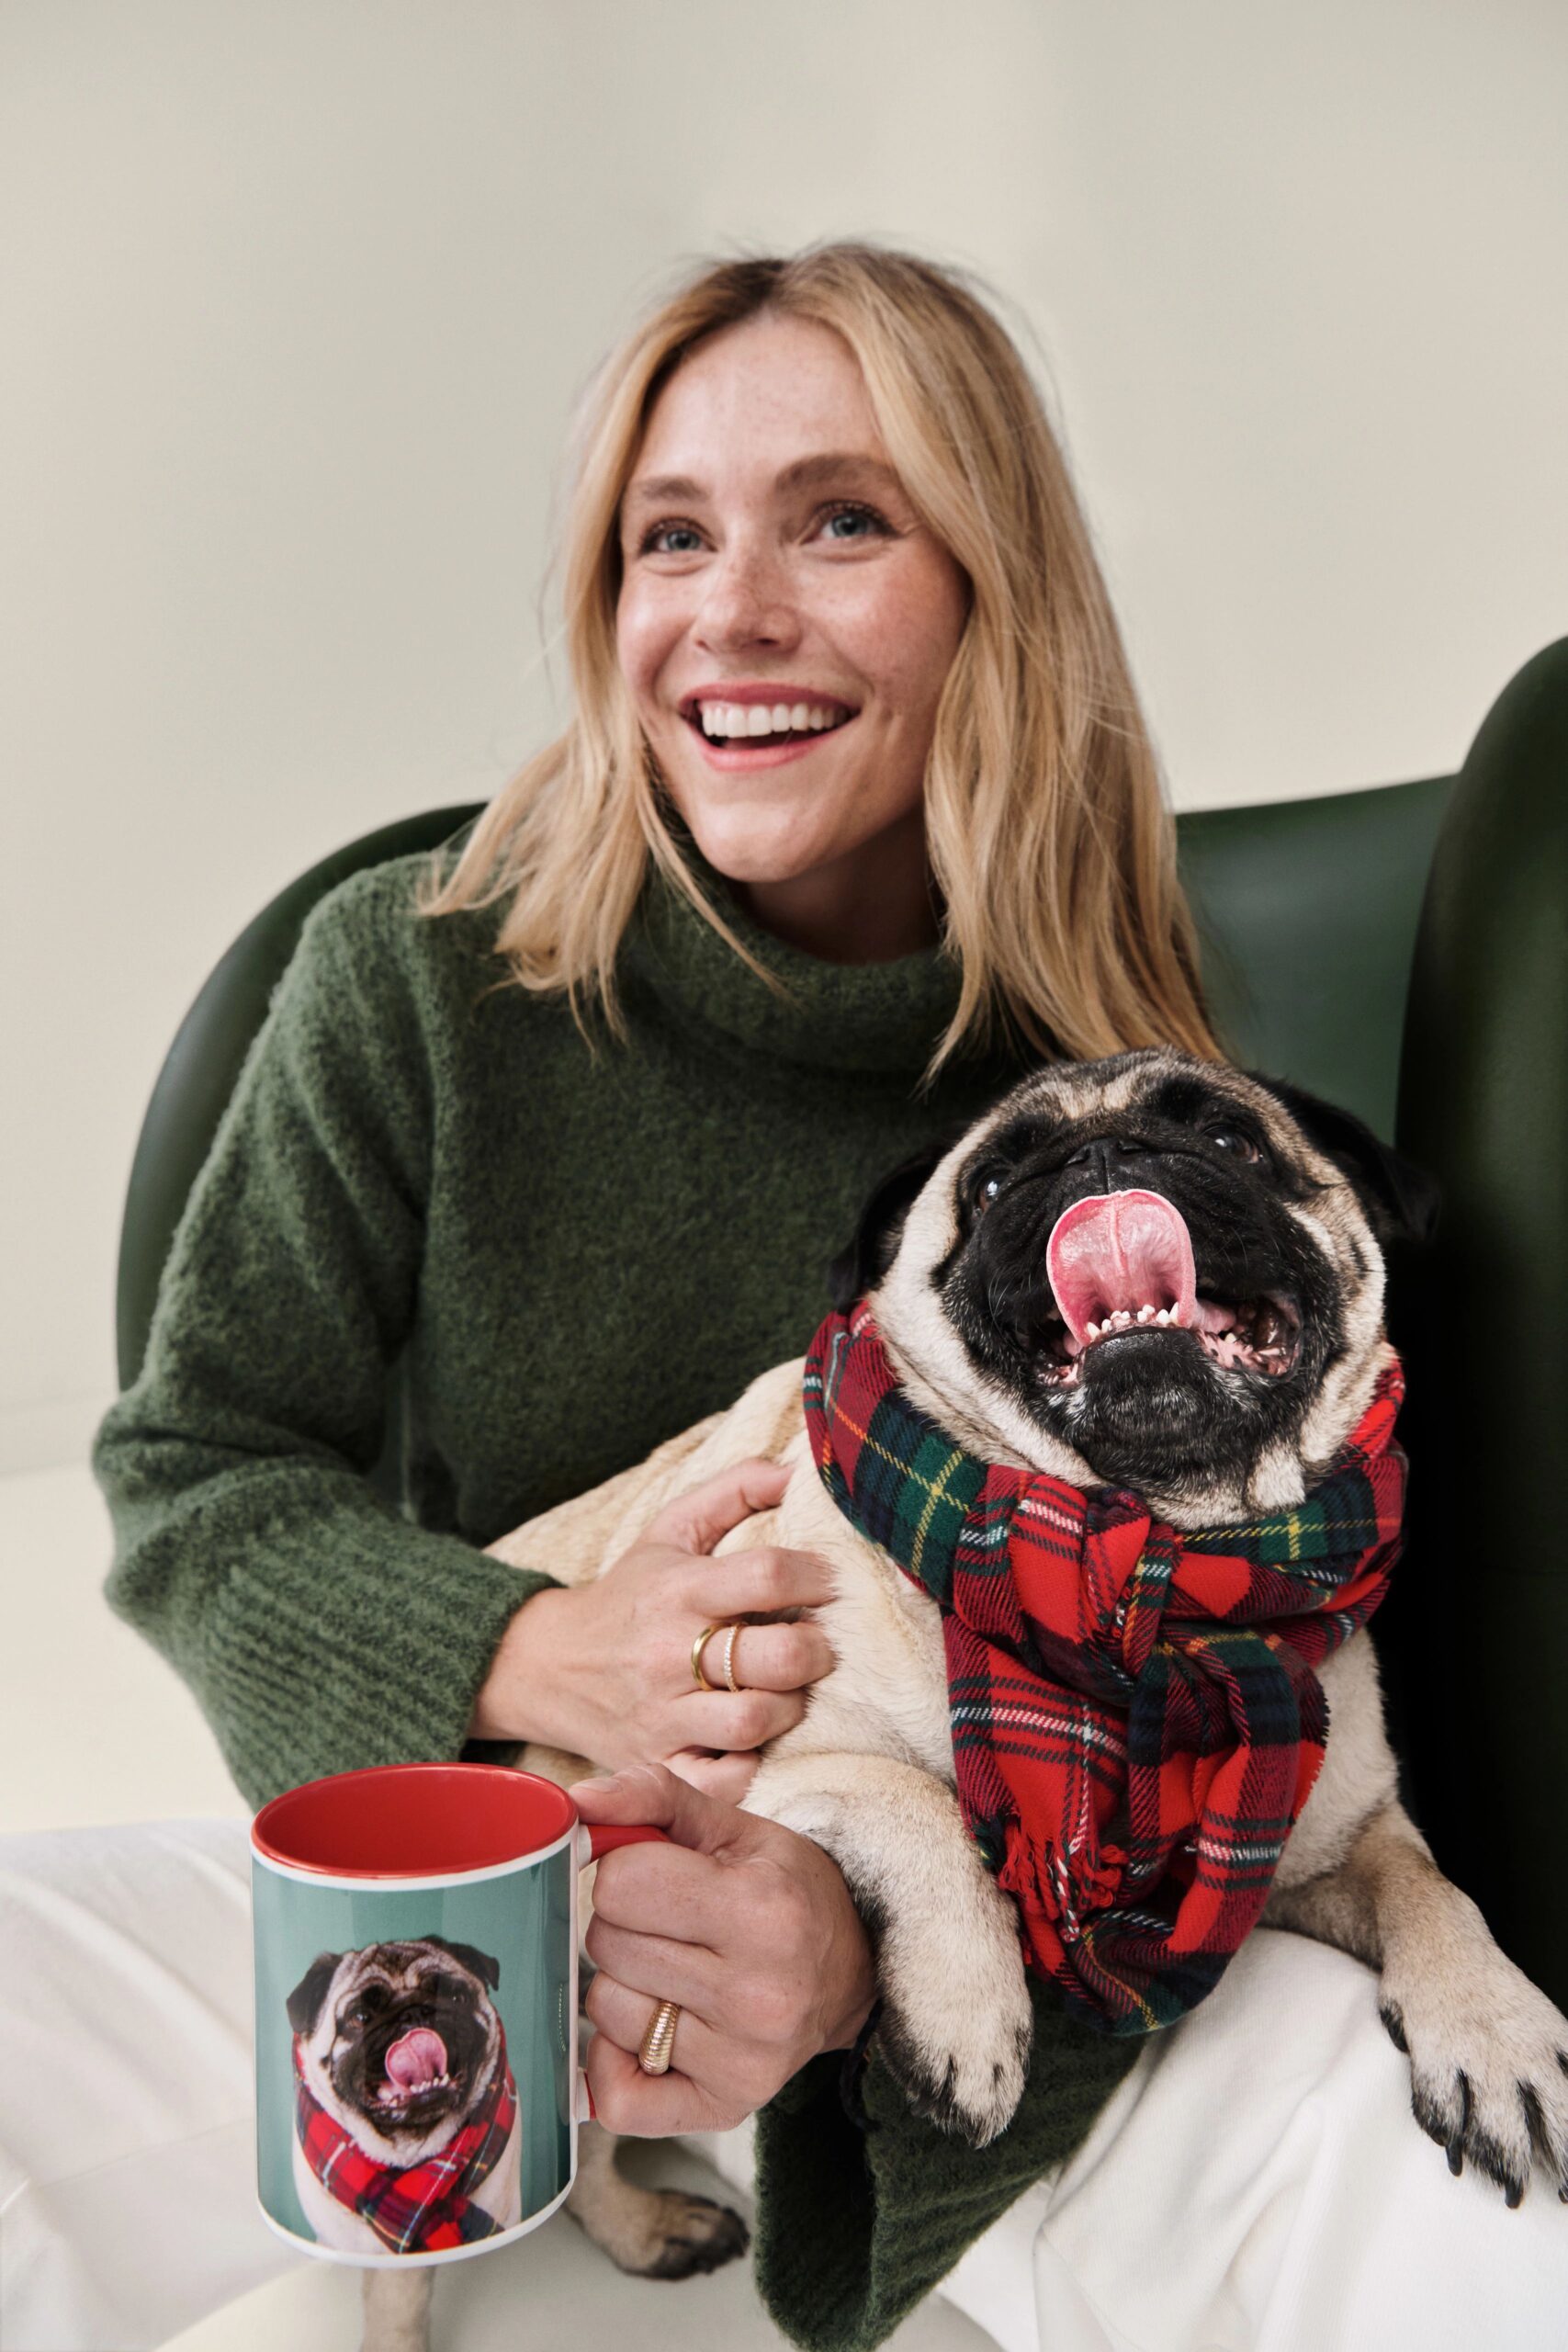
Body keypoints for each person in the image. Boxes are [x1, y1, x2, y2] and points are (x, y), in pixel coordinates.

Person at [86, 242, 1217, 2350]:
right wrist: (536, 1649)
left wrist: (866, 1943)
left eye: (842, 519)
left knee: (1411, 2161)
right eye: (666, 536)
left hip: (949, 1957)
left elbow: (1204, 1696)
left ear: (1000, 592)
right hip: (479, 1876)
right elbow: (190, 1463)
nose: (732, 611)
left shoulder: (1127, 1128)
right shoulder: (414, 983)